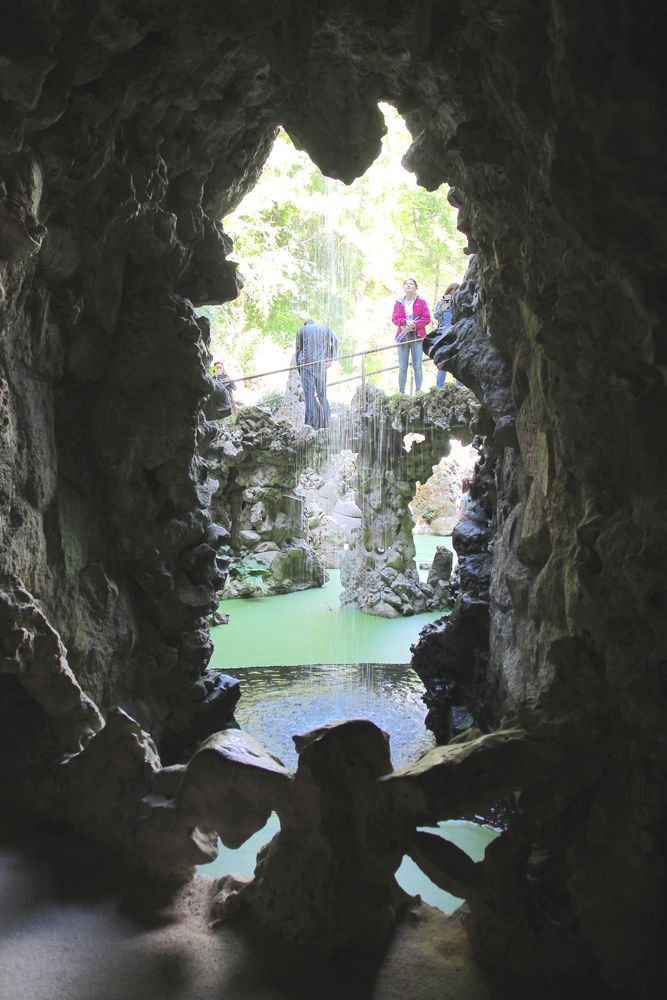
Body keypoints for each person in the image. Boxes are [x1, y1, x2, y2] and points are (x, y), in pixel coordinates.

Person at [295, 318, 338, 429]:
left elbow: (298, 350)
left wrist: (300, 370)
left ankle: (310, 426)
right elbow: (336, 341)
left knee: (309, 396)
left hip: (307, 366)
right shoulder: (325, 329)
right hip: (320, 366)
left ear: (306, 324)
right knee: (322, 395)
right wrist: (330, 358)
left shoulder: (301, 330)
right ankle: (329, 423)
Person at [391, 278, 431, 393]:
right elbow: (395, 318)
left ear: (415, 287)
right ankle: (401, 392)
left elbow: (426, 318)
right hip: (403, 335)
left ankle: (418, 391)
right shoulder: (398, 302)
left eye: (411, 284)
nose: (408, 285)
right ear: (404, 288)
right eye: (406, 284)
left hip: (417, 336)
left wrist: (415, 324)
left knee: (417, 365)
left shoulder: (421, 302)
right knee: (403, 366)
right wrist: (405, 322)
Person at [433, 282, 460, 387]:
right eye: (451, 292)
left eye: (455, 292)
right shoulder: (442, 303)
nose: (453, 294)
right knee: (442, 360)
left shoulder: (459, 303)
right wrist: (443, 306)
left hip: (456, 332)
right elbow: (437, 316)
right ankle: (439, 386)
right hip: (444, 333)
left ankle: (460, 386)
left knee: (458, 360)